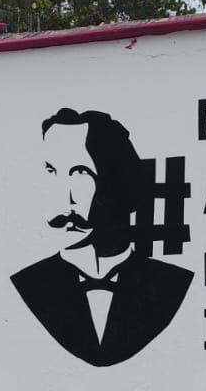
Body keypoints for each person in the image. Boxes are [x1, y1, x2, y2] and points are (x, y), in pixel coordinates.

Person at [10, 108, 192, 367]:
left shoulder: (170, 283)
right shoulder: (31, 282)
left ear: (117, 184)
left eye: (80, 172)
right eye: (51, 171)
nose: (61, 200)